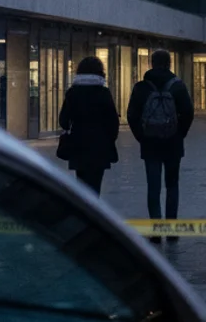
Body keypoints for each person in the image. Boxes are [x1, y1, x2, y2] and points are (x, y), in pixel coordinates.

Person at [128, 50, 195, 243]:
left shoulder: (141, 87)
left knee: (153, 186)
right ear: (169, 64)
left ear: (151, 63)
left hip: (150, 143)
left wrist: (141, 136)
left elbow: (132, 114)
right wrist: (180, 133)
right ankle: (172, 229)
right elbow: (188, 113)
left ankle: (156, 230)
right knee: (172, 185)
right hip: (173, 142)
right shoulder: (178, 86)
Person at [59, 57, 120, 195]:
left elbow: (63, 121)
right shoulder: (103, 93)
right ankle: (92, 211)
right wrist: (109, 140)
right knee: (95, 185)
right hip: (99, 146)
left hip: (78, 145)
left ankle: (82, 212)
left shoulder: (72, 93)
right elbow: (113, 122)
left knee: (81, 185)